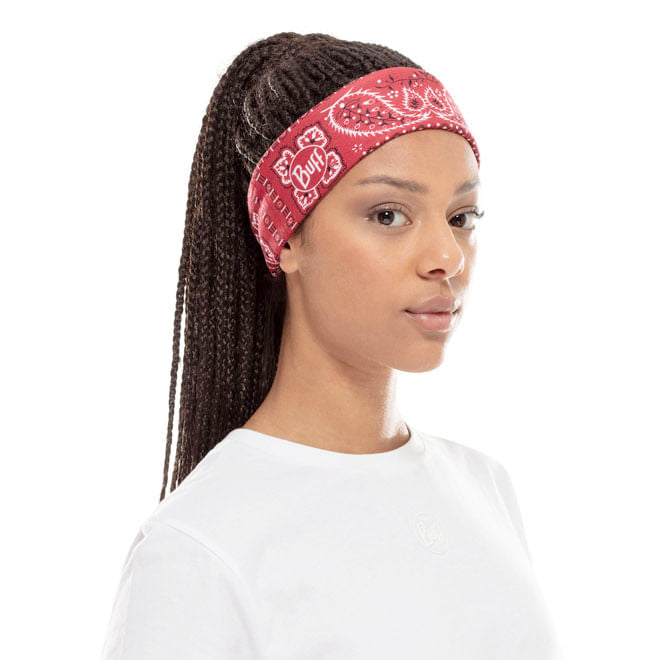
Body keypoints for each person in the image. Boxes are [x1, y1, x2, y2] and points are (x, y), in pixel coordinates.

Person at [101, 31, 565, 659]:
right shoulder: (200, 548)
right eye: (388, 215)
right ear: (288, 237)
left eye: (462, 218)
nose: (447, 257)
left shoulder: (486, 488)